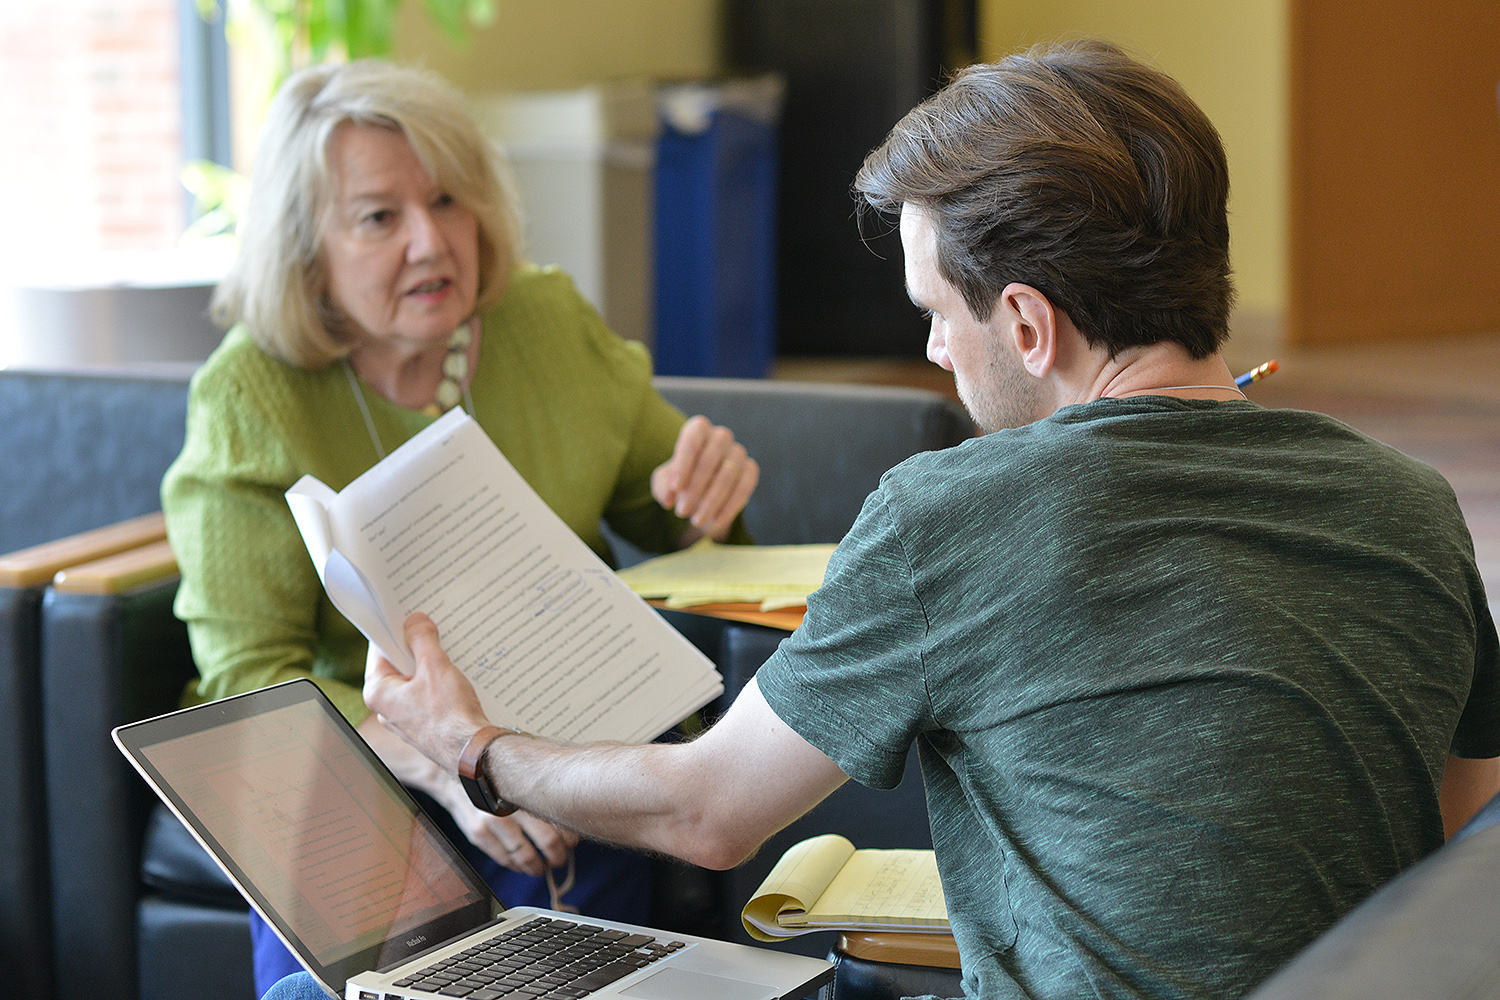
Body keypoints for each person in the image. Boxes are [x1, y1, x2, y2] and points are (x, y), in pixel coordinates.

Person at [278, 39, 1499, 1000]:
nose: (930, 350)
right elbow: (1451, 802)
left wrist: (473, 744)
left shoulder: (951, 516)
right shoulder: (1413, 503)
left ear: (1027, 324)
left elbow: (705, 812)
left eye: (935, 314)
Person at [160, 59, 759, 996]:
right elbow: (247, 684)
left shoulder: (544, 319)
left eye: (447, 201)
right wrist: (442, 763)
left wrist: (707, 496)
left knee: (578, 915)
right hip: (358, 765)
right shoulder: (250, 394)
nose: (430, 242)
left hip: (551, 735)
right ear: (306, 248)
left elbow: (677, 522)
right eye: (378, 218)